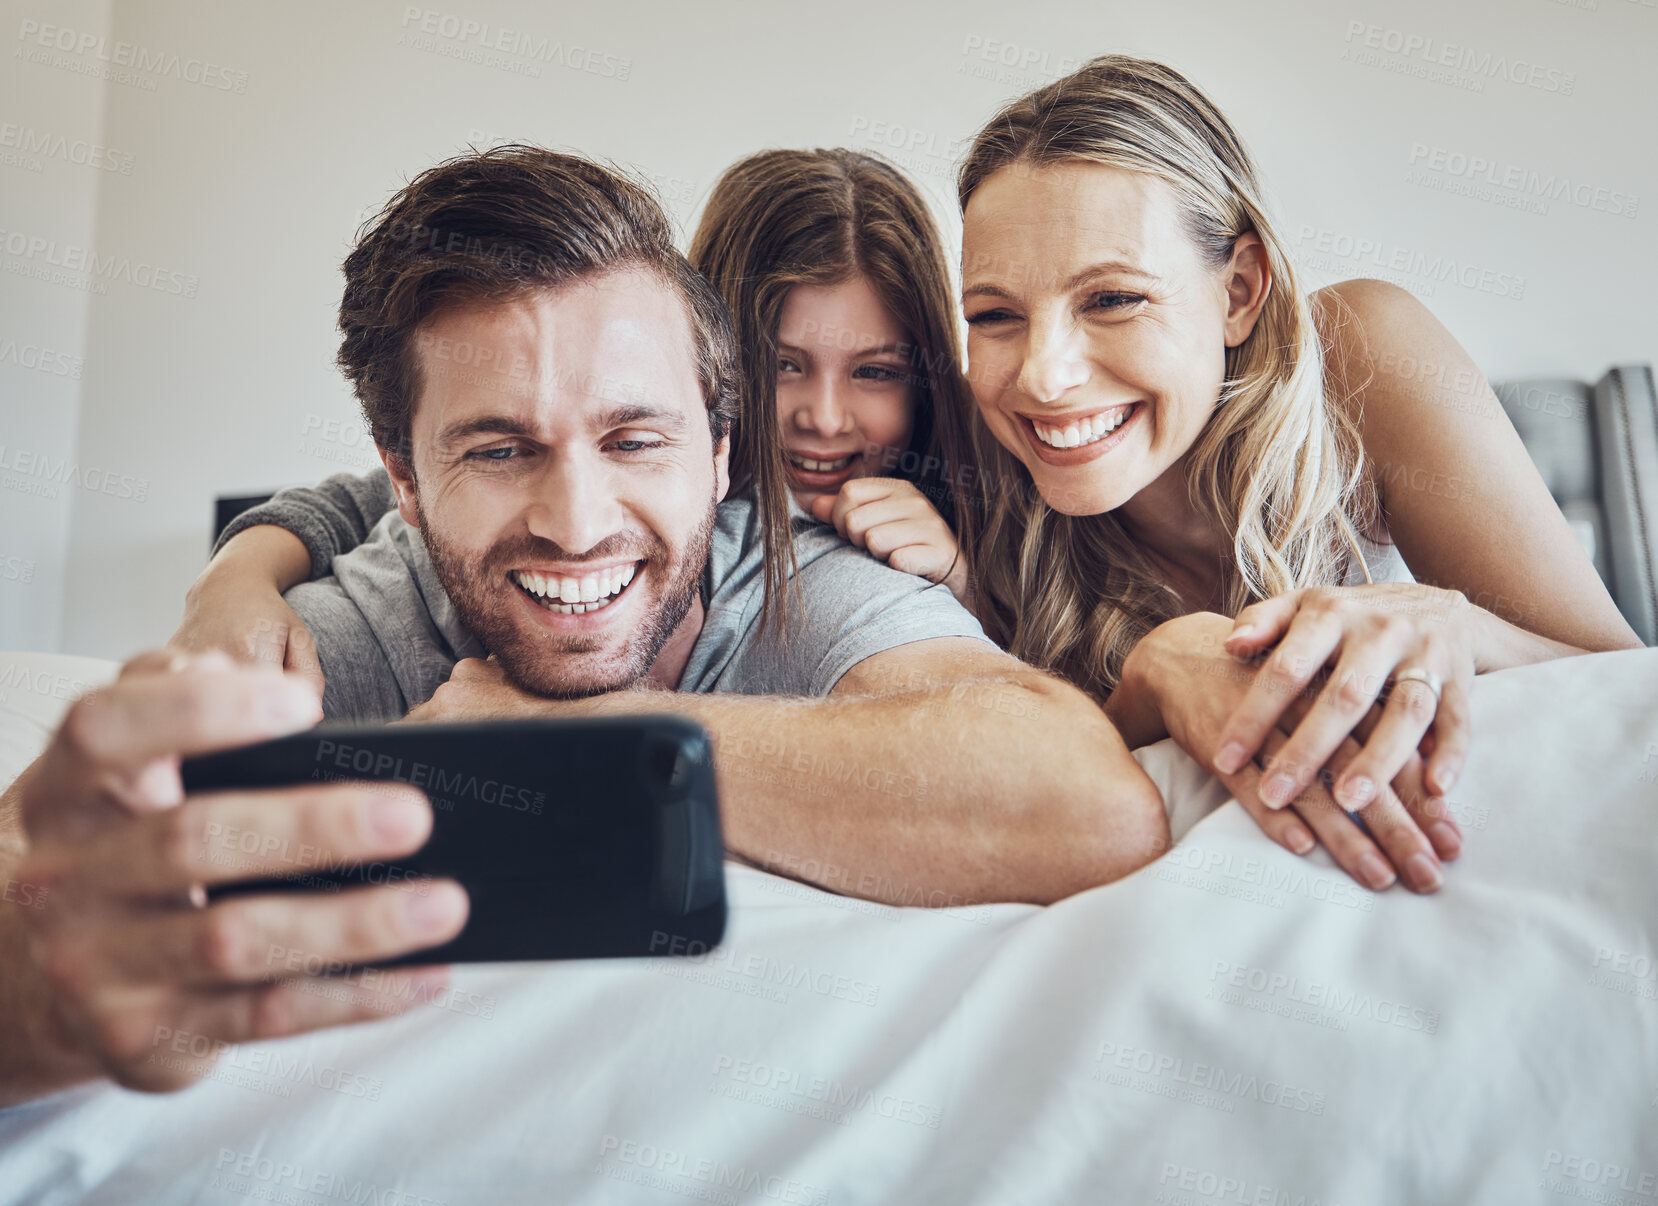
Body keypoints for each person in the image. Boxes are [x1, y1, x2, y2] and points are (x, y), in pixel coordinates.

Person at [0, 146, 1172, 1106]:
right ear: (404, 482)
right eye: (499, 450)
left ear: (721, 453)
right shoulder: (363, 612)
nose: (573, 524)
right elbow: (56, 880)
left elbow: (1085, 803)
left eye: (634, 440)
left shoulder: (818, 575)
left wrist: (582, 740)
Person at [942, 55, 1645, 893]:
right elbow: (1016, 816)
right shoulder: (956, 460)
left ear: (1238, 290)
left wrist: (1460, 624)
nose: (1042, 377)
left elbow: (1624, 687)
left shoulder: (1362, 354)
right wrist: (1152, 675)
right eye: (993, 315)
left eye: (1113, 299)